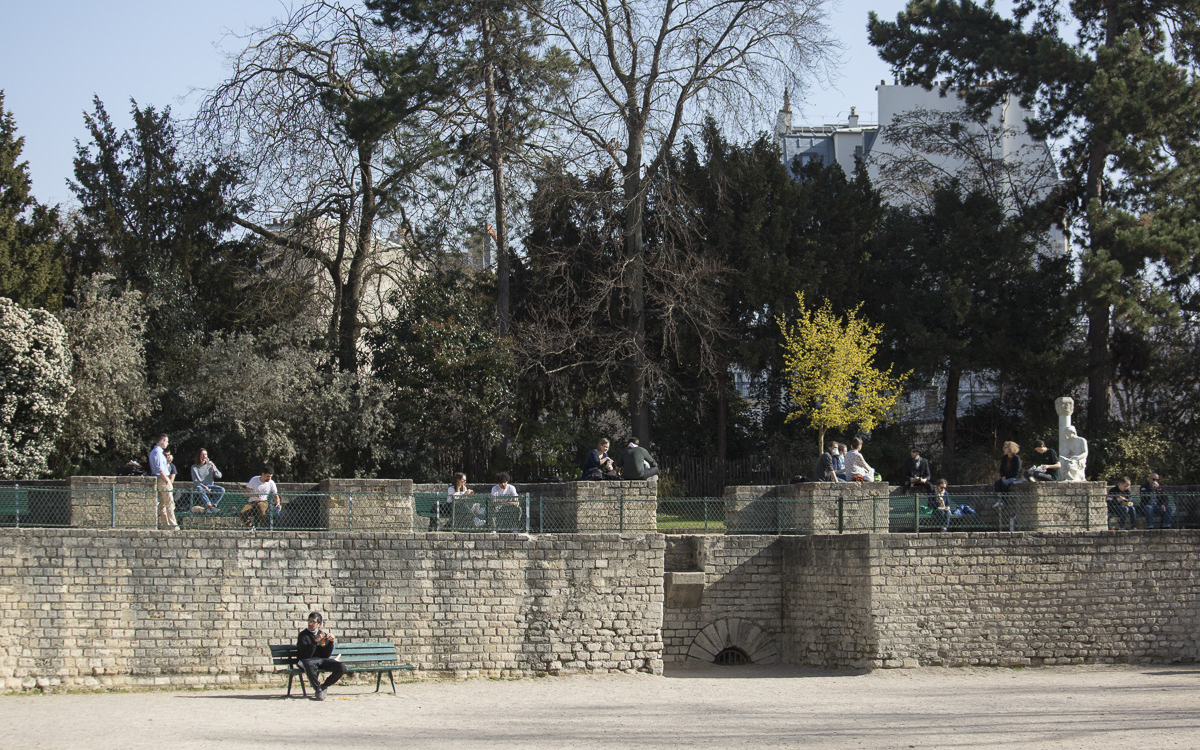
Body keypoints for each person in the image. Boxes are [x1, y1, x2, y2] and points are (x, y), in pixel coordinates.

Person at [296, 611, 345, 701]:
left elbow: (325, 655)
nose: (310, 624)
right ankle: (317, 689)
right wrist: (315, 641)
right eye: (309, 621)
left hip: (320, 660)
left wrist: (330, 642)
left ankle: (324, 686)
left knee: (341, 667)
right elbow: (306, 655)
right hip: (307, 660)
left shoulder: (323, 635)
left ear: (319, 624)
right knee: (308, 664)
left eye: (313, 622)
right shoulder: (303, 635)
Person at [148, 434, 178, 531]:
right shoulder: (158, 452)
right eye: (166, 441)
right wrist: (167, 480)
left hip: (159, 477)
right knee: (169, 503)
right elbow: (160, 469)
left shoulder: (155, 452)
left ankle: (167, 525)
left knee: (163, 504)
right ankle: (173, 526)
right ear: (162, 441)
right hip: (162, 479)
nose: (167, 443)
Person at [240, 465, 281, 529]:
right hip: (251, 502)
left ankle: (263, 527)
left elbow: (275, 495)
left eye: (270, 477)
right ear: (262, 474)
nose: (269, 478)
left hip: (263, 501)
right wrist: (254, 495)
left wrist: (278, 503)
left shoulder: (271, 483)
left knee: (261, 509)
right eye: (267, 476)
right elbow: (245, 494)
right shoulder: (254, 480)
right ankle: (251, 527)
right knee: (242, 514)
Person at [190, 449, 225, 513]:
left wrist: (213, 468)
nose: (204, 456)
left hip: (210, 485)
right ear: (199, 456)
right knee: (200, 489)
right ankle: (210, 507)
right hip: (200, 486)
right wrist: (204, 487)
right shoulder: (194, 467)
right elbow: (195, 481)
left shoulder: (210, 465)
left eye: (205, 454)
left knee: (222, 489)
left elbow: (219, 476)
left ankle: (212, 505)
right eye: (202, 455)